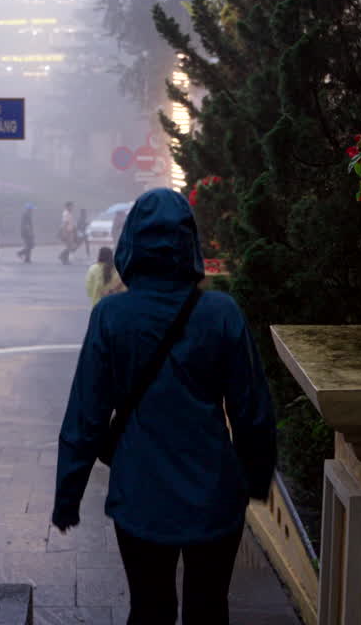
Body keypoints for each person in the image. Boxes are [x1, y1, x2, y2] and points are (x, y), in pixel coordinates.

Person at [53, 188, 277, 625]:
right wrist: (255, 477)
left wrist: (68, 495)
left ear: (131, 242)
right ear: (189, 242)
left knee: (149, 607)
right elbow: (252, 408)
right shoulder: (221, 312)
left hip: (140, 495)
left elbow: (87, 413)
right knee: (209, 607)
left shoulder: (112, 316)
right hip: (213, 495)